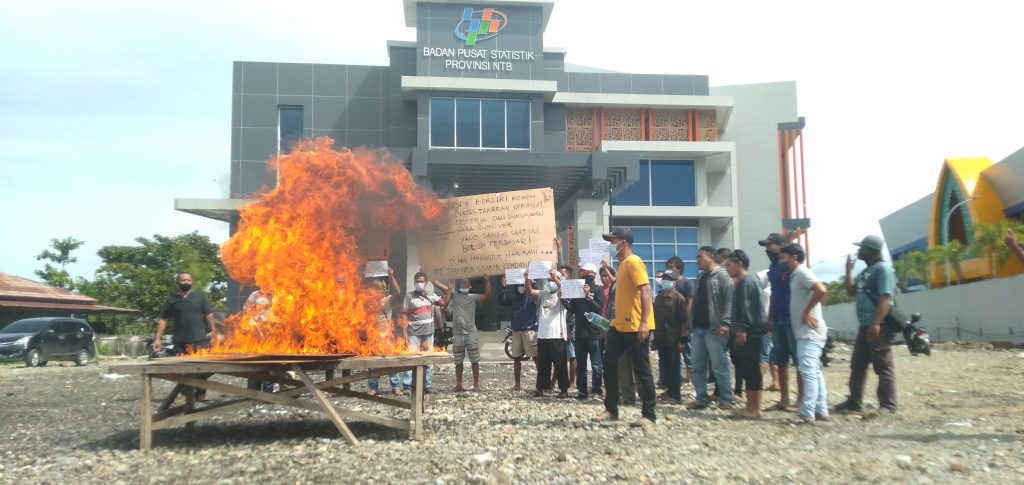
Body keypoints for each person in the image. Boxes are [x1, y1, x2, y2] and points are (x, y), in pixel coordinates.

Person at [595, 227, 657, 427]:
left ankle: (648, 414)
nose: (611, 245)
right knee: (609, 363)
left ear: (624, 242)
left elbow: (645, 290)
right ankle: (611, 408)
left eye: (613, 241)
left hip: (636, 326)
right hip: (619, 326)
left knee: (642, 370)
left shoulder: (634, 262)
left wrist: (644, 322)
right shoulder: (622, 265)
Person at [836, 235, 898, 415]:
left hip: (879, 325)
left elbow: (886, 298)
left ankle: (888, 405)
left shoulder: (883, 270)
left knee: (883, 366)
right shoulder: (867, 272)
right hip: (865, 325)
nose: (860, 251)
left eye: (863, 248)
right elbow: (851, 292)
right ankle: (854, 402)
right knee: (858, 364)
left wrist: (877, 323)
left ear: (873, 251)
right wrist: (848, 271)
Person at [780, 244, 830, 424]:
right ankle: (821, 410)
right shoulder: (795, 275)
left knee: (808, 371)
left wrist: (807, 312)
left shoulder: (802, 271)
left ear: (794, 257)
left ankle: (807, 413)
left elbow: (821, 290)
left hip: (809, 331)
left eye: (783, 258)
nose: (781, 262)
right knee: (814, 371)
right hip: (805, 332)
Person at [153, 273, 218, 400]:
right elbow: (163, 319)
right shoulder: (172, 299)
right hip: (180, 340)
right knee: (181, 369)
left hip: (200, 339)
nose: (187, 282)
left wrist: (213, 330)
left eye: (189, 280)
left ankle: (200, 393)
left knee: (203, 368)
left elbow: (209, 314)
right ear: (178, 283)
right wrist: (157, 338)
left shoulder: (199, 297)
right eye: (184, 280)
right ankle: (185, 394)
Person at [687, 246, 734, 410]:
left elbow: (729, 301)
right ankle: (701, 398)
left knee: (719, 364)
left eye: (700, 257)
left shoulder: (722, 275)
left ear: (711, 257)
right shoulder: (700, 278)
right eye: (697, 257)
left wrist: (725, 323)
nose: (697, 260)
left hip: (714, 329)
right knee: (697, 365)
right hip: (698, 329)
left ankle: (726, 398)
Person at [759, 232, 801, 411]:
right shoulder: (773, 267)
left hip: (793, 319)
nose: (767, 249)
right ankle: (784, 399)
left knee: (799, 362)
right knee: (780, 361)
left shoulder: (794, 266)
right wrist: (770, 318)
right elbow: (775, 294)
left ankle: (801, 400)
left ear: (781, 245)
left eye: (770, 245)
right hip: (777, 319)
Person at [725, 250, 767, 418]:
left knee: (751, 371)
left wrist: (742, 329)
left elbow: (747, 308)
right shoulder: (748, 281)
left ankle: (754, 408)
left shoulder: (746, 282)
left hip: (749, 333)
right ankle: (752, 406)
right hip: (752, 332)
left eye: (729, 265)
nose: (727, 268)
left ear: (739, 264)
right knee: (751, 370)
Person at [434, 274, 491, 392]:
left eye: (466, 283)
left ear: (469, 286)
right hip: (458, 334)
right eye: (462, 283)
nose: (463, 284)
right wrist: (429, 274)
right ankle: (459, 385)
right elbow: (439, 285)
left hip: (471, 333)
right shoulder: (454, 295)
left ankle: (476, 384)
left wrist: (487, 281)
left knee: (474, 361)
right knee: (458, 361)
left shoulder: (473, 297)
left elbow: (487, 296)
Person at [526, 269, 570, 398]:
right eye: (549, 280)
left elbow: (565, 287)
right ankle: (540, 389)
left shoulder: (563, 294)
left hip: (558, 335)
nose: (550, 282)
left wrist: (556, 278)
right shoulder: (543, 293)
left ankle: (564, 390)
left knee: (560, 365)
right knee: (543, 365)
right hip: (543, 335)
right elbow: (529, 292)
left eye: (553, 280)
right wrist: (527, 279)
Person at [402, 271, 445, 393]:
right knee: (411, 359)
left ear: (426, 283)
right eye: (417, 281)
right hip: (413, 333)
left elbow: (444, 302)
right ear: (414, 282)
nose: (419, 283)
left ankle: (426, 386)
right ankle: (407, 386)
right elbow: (404, 316)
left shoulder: (431, 296)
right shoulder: (409, 297)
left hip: (428, 333)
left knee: (428, 360)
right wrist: (404, 333)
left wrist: (446, 287)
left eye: (422, 281)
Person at [568, 262, 604, 400]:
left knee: (596, 365)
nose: (583, 274)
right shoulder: (577, 289)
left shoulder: (598, 290)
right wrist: (563, 300)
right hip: (580, 333)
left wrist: (589, 296)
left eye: (587, 272)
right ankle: (582, 391)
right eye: (582, 271)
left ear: (593, 274)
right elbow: (572, 309)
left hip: (594, 333)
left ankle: (596, 391)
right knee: (581, 365)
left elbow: (598, 309)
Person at [653, 271, 688, 405]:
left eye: (669, 279)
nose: (665, 281)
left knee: (674, 367)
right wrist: (655, 339)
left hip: (674, 338)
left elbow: (683, 321)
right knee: (665, 366)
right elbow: (656, 318)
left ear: (674, 282)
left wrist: (682, 340)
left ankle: (676, 395)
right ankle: (668, 391)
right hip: (661, 337)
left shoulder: (679, 298)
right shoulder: (660, 297)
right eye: (664, 279)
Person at [499, 272, 539, 391]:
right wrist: (503, 287)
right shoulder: (515, 297)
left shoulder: (533, 295)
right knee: (516, 358)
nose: (521, 286)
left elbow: (536, 291)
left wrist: (531, 282)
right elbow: (502, 301)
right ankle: (517, 384)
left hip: (529, 330)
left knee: (536, 357)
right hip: (516, 330)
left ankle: (541, 383)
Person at [368, 269, 404, 396]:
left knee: (391, 363)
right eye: (375, 289)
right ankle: (373, 387)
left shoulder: (388, 300)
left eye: (378, 289)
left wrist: (392, 276)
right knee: (372, 364)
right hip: (373, 337)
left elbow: (398, 292)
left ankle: (395, 387)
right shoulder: (368, 302)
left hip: (386, 336)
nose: (376, 291)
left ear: (383, 290)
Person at [666, 256, 695, 384]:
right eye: (668, 267)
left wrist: (686, 321)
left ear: (679, 269)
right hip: (671, 324)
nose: (669, 270)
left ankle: (690, 375)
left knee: (686, 349)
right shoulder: (669, 283)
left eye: (671, 267)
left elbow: (690, 303)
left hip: (684, 322)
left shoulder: (687, 283)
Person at [555, 265, 577, 391]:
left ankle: (572, 382)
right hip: (558, 326)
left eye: (563, 274)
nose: (561, 277)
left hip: (569, 325)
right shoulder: (554, 288)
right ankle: (556, 383)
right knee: (559, 356)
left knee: (572, 355)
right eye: (559, 275)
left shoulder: (572, 288)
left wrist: (569, 329)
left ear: (568, 275)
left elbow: (571, 311)